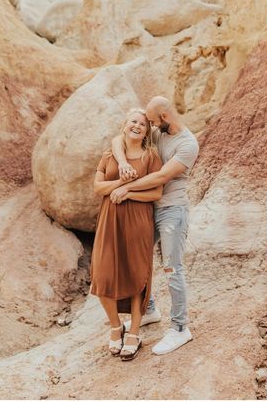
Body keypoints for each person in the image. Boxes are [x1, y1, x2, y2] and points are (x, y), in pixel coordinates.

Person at [110, 96, 199, 355]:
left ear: (165, 118)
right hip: (148, 209)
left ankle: (181, 329)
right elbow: (120, 139)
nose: (148, 125)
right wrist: (124, 164)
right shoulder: (159, 132)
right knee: (136, 259)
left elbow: (160, 177)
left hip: (172, 210)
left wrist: (125, 188)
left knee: (172, 267)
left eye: (151, 120)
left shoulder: (187, 144)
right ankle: (149, 310)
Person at [90, 108, 163, 361]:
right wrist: (122, 181)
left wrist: (129, 191)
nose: (138, 126)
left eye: (143, 124)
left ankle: (133, 333)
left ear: (147, 132)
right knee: (102, 275)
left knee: (136, 275)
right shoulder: (110, 154)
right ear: (124, 125)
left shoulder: (150, 157)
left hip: (138, 220)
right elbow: (98, 187)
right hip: (109, 219)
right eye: (134, 121)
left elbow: (156, 194)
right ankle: (115, 326)